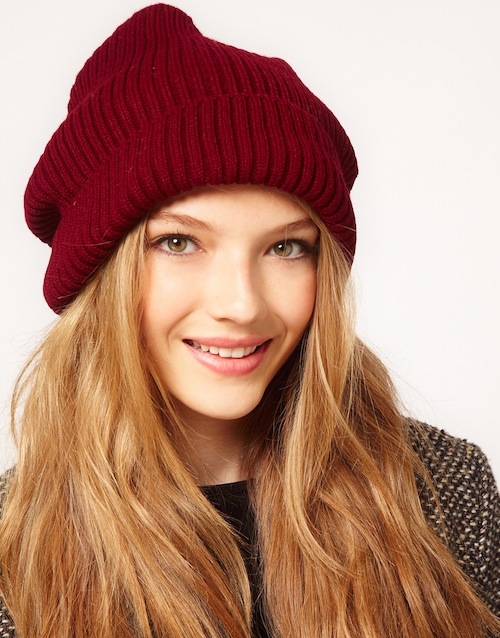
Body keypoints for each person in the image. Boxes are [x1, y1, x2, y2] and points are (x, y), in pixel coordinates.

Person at [0, 4, 498, 637]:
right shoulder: (13, 548)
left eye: (285, 247)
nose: (241, 305)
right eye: (179, 242)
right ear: (100, 271)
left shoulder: (443, 492)